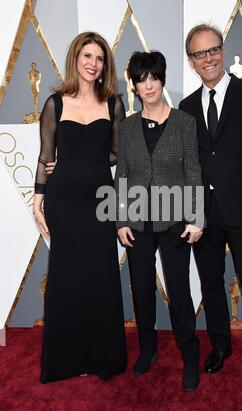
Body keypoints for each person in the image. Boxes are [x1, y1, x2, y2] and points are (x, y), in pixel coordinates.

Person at [179, 24, 242, 401]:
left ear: (222, 51)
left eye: (212, 50)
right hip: (204, 216)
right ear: (191, 62)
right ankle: (220, 346)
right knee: (211, 285)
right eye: (199, 54)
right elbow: (190, 165)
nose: (207, 59)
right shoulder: (187, 106)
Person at [33, 31, 127, 383]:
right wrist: (38, 200)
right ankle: (65, 361)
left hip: (101, 202)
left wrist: (86, 160)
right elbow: (46, 155)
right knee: (66, 279)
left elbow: (118, 152)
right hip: (64, 202)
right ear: (76, 59)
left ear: (105, 66)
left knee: (100, 276)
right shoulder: (55, 103)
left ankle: (103, 358)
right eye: (87, 56)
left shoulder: (113, 102)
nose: (93, 63)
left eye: (100, 58)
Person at [114, 51, 204, 391]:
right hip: (136, 221)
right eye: (142, 79)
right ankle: (148, 348)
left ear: (162, 80)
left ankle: (189, 356)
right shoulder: (127, 127)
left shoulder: (184, 122)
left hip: (175, 220)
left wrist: (196, 217)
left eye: (153, 78)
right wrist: (120, 219)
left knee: (179, 291)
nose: (148, 85)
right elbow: (121, 174)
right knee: (142, 289)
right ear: (135, 85)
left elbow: (194, 171)